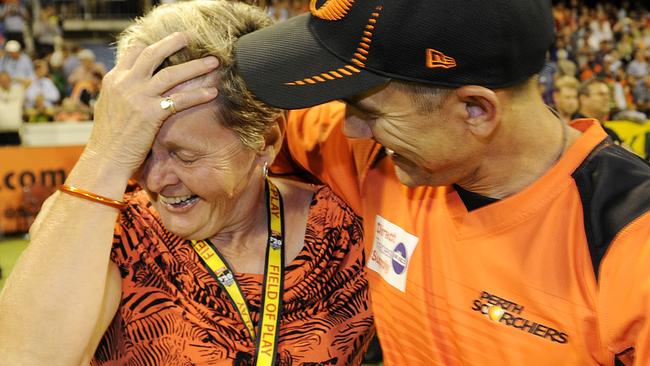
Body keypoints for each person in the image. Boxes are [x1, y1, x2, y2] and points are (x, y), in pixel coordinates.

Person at [233, 0, 650, 364]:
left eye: (370, 112)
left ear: (475, 109)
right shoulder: (383, 154)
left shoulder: (630, 245)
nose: (351, 131)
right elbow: (243, 125)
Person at [0, 2, 373, 365]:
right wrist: (105, 156)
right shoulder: (113, 235)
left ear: (267, 141)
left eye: (185, 155)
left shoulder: (344, 232)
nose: (156, 179)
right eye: (140, 152)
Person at [573, 78, 623, 143]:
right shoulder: (573, 130)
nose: (607, 98)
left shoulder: (611, 134)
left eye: (608, 94)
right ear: (583, 99)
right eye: (601, 94)